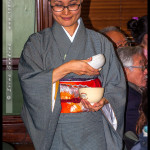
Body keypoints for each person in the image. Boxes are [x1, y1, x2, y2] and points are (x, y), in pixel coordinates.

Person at [18, 0, 126, 150]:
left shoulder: (100, 42)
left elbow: (116, 84)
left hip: (93, 127)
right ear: (50, 4)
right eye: (58, 5)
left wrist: (105, 100)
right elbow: (29, 82)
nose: (66, 11)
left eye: (72, 4)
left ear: (81, 2)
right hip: (57, 127)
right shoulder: (37, 43)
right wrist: (67, 68)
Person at [117, 46, 147, 137]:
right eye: (142, 68)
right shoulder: (128, 99)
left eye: (145, 66)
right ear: (125, 71)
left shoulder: (135, 90)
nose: (146, 71)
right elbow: (140, 133)